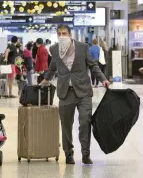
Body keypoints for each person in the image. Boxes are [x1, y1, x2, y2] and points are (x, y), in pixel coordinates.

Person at [40, 24, 110, 165]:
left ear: (70, 34)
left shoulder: (83, 47)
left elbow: (93, 65)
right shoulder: (54, 49)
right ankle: (68, 154)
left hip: (83, 91)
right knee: (66, 125)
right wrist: (46, 79)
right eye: (59, 33)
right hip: (65, 93)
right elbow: (53, 66)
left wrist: (103, 79)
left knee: (85, 122)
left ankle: (85, 153)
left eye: (64, 33)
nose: (62, 36)